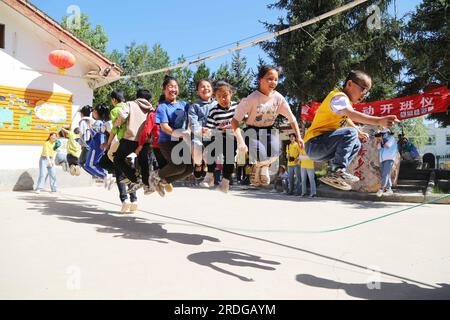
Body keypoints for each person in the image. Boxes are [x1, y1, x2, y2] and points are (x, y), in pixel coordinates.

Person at [304, 70, 399, 191]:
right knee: (350, 133)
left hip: (320, 148)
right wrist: (379, 121)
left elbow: (347, 119)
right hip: (315, 143)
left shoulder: (343, 103)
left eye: (367, 93)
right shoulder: (339, 97)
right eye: (363, 90)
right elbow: (351, 114)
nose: (364, 95)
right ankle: (336, 171)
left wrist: (358, 131)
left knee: (357, 143)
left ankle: (335, 173)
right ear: (349, 84)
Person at [232, 65, 303, 187]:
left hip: (268, 130)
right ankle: (259, 169)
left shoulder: (278, 98)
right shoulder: (251, 98)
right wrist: (240, 141)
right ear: (260, 79)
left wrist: (299, 137)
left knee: (276, 152)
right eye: (269, 78)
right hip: (252, 130)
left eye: (276, 79)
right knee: (262, 154)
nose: (273, 82)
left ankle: (260, 168)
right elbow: (234, 121)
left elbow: (292, 119)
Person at [149, 76, 193, 196]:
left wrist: (188, 130)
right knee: (178, 166)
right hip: (167, 141)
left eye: (175, 86)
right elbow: (164, 127)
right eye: (170, 87)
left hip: (181, 141)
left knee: (189, 168)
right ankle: (155, 175)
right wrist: (178, 133)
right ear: (164, 90)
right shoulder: (162, 107)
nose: (173, 89)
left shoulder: (184, 105)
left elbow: (191, 119)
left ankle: (163, 182)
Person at [200, 81, 238, 193]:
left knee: (230, 154)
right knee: (210, 146)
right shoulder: (214, 111)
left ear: (231, 94)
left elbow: (243, 120)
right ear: (215, 98)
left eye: (225, 96)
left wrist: (232, 127)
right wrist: (206, 130)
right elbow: (209, 129)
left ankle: (225, 181)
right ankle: (210, 175)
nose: (223, 99)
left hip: (232, 137)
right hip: (219, 137)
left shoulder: (237, 106)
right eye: (219, 97)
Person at [113, 89, 154, 194]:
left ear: (137, 97)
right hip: (144, 141)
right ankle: (147, 185)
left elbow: (122, 115)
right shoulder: (151, 109)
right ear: (149, 99)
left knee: (118, 159)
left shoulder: (130, 104)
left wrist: (116, 124)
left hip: (129, 138)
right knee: (144, 162)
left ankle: (134, 177)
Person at [188, 79, 217, 178]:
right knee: (196, 145)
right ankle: (198, 164)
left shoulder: (217, 105)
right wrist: (200, 130)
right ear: (197, 92)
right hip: (199, 136)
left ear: (212, 90)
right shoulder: (194, 106)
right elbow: (193, 122)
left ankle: (207, 165)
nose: (206, 88)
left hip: (213, 136)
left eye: (208, 86)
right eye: (202, 86)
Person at [376, 129, 398, 197]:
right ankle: (389, 189)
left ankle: (382, 189)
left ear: (388, 133)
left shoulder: (392, 138)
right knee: (385, 174)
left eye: (383, 133)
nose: (382, 135)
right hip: (382, 159)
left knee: (385, 174)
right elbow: (377, 147)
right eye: (382, 134)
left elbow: (388, 145)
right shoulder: (382, 139)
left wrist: (383, 139)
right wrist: (378, 140)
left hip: (389, 158)